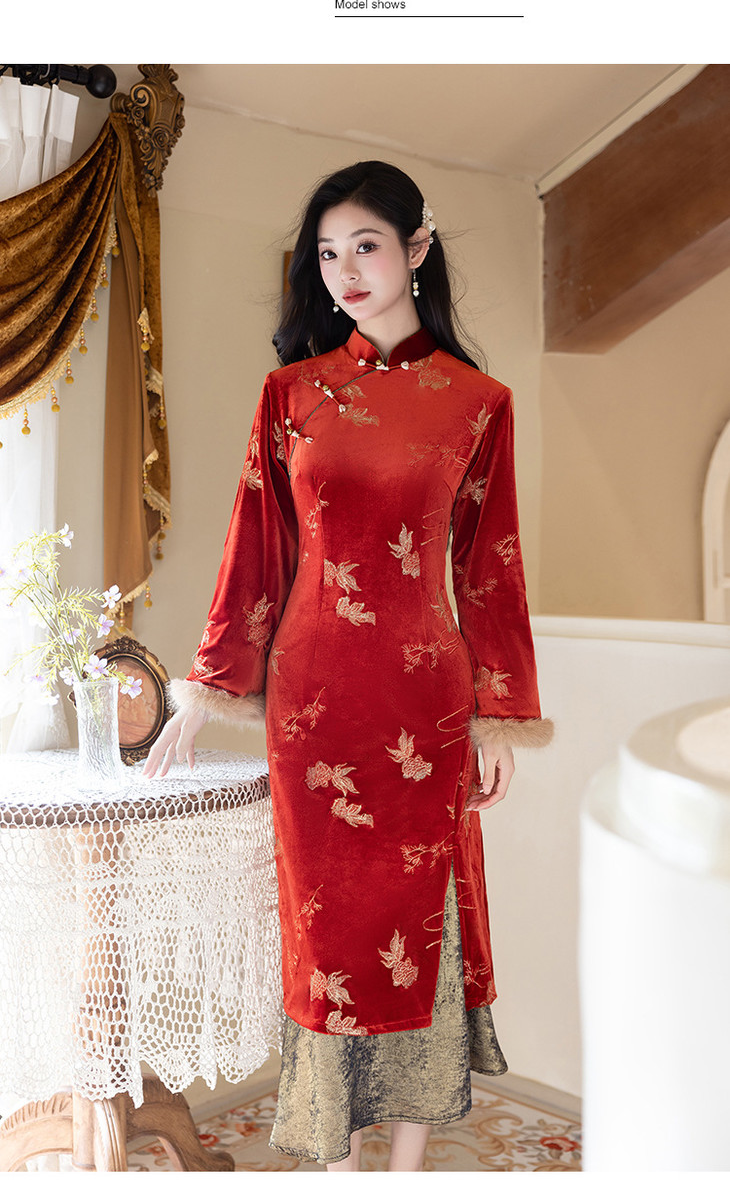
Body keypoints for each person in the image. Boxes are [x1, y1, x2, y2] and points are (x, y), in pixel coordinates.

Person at [144, 160, 553, 1172]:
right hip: (312, 702)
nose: (346, 272)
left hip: (427, 702)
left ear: (417, 248)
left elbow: (491, 568)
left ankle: (399, 1176)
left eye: (365, 246)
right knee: (325, 935)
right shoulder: (291, 393)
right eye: (327, 255)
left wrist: (500, 718)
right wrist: (204, 689)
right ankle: (338, 1169)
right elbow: (256, 546)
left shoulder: (478, 402)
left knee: (423, 922)